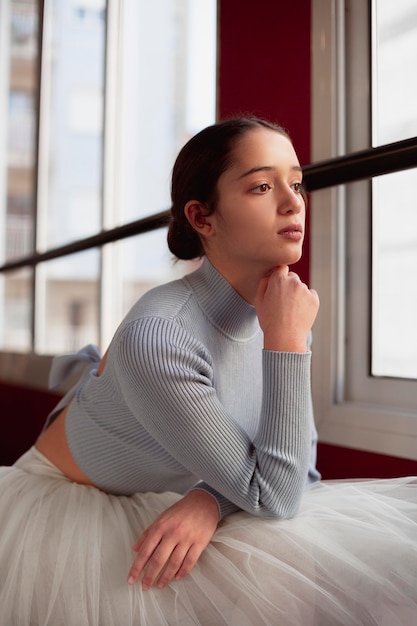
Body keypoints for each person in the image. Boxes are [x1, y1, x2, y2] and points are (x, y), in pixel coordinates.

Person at [0, 117, 416, 626]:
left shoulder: (281, 309)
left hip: (177, 490)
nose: (293, 202)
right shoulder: (161, 337)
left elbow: (300, 468)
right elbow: (277, 496)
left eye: (297, 182)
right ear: (202, 217)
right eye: (263, 186)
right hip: (68, 507)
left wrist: (209, 500)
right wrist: (284, 345)